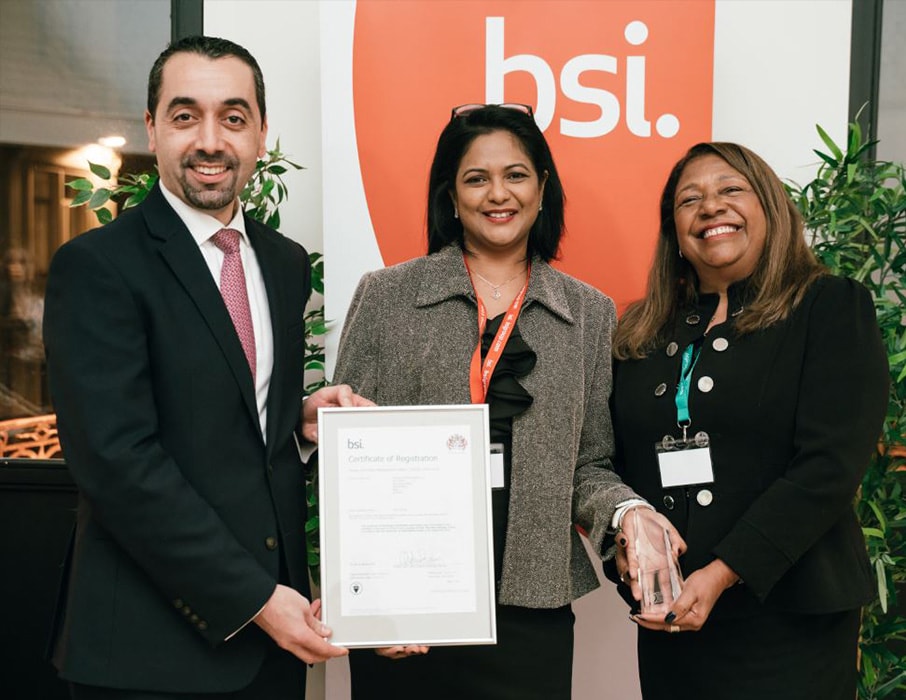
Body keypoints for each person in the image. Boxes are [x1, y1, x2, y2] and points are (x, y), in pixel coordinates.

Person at [42, 36, 360, 699]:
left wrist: (298, 421)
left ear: (262, 134)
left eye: (233, 117)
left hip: (271, 654)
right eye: (186, 116)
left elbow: (230, 412)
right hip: (147, 655)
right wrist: (255, 599)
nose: (210, 141)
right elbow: (116, 461)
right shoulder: (98, 266)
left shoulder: (283, 262)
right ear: (152, 127)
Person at [331, 103, 681, 700]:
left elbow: (590, 463)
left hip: (531, 604)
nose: (499, 194)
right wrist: (365, 601)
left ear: (542, 189)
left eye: (516, 175)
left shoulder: (588, 312)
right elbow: (348, 456)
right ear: (451, 195)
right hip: (408, 605)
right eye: (477, 178)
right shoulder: (387, 296)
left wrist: (628, 512)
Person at [609, 142, 889, 699]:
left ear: (770, 207)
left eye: (731, 190)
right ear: (674, 231)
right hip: (674, 620)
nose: (711, 206)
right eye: (690, 200)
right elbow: (613, 462)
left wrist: (722, 572)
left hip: (790, 619)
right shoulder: (641, 330)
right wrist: (624, 541)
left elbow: (829, 467)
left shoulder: (829, 305)